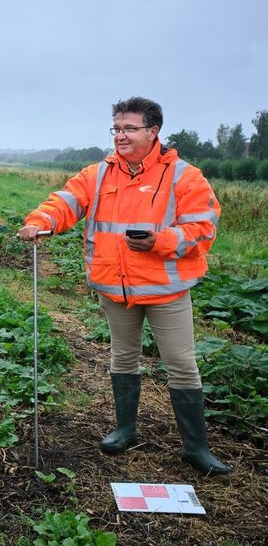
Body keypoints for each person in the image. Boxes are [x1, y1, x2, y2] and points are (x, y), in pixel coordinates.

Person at [18, 96, 230, 476]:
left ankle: (196, 448)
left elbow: (203, 228)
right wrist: (40, 220)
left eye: (129, 128)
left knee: (181, 364)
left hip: (166, 291)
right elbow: (65, 201)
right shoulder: (99, 173)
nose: (121, 135)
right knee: (122, 357)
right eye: (116, 128)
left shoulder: (184, 176)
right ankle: (125, 430)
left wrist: (160, 241)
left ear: (153, 131)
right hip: (115, 290)